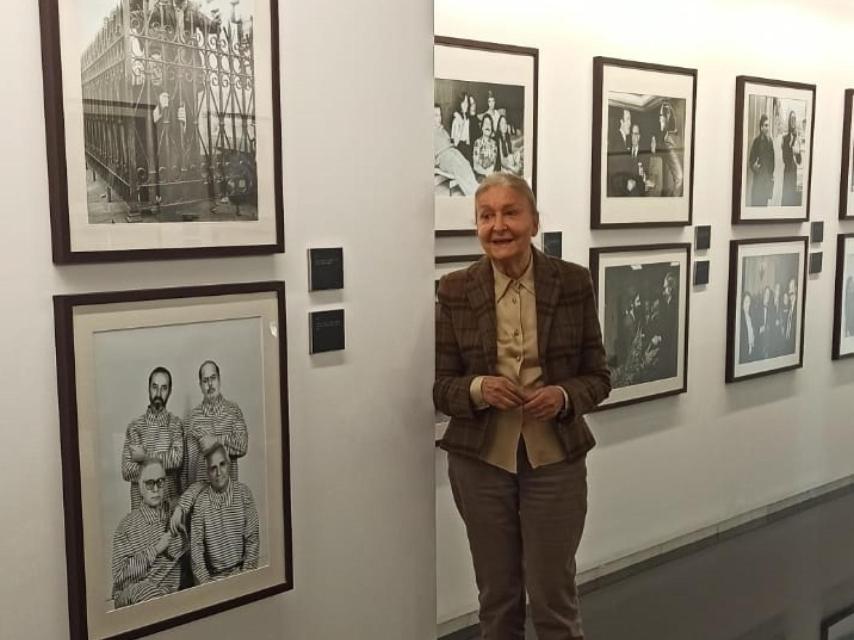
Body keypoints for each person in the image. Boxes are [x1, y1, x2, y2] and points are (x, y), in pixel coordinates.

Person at [434, 172, 611, 639]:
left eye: (510, 212)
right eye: (486, 216)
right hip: (480, 463)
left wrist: (564, 396)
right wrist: (478, 389)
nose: (498, 226)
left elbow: (599, 375)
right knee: (497, 599)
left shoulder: (572, 282)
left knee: (553, 595)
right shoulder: (455, 289)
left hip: (554, 460)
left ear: (534, 220)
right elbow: (441, 387)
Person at [175, 444, 259, 584]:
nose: (218, 472)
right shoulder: (201, 503)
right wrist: (207, 584)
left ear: (229, 464)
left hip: (242, 573)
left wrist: (246, 578)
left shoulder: (244, 494)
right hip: (213, 578)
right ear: (208, 473)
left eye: (222, 464)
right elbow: (196, 552)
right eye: (213, 468)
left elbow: (253, 541)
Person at [111, 459, 185, 607]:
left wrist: (180, 509)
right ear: (140, 486)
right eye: (149, 483)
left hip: (169, 597)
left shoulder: (175, 515)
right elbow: (119, 574)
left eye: (160, 482)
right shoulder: (127, 525)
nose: (156, 489)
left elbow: (199, 487)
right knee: (145, 590)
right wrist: (156, 549)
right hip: (135, 596)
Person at [122, 367, 184, 509]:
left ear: (170, 391)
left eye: (164, 388)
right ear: (148, 388)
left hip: (169, 509)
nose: (158, 393)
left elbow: (177, 459)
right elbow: (127, 470)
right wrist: (163, 466)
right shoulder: (135, 427)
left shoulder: (175, 424)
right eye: (154, 387)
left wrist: (144, 458)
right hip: (140, 512)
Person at [182, 360, 248, 489]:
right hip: (201, 497)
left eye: (213, 378)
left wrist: (216, 441)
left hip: (228, 496)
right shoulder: (192, 418)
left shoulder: (233, 410)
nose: (210, 384)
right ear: (200, 385)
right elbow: (186, 466)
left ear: (219, 380)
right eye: (205, 381)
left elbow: (243, 446)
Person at [434, 105, 479, 196]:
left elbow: (452, 143)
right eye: (436, 115)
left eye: (440, 115)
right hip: (443, 156)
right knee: (457, 166)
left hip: (452, 151)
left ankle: (476, 188)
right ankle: (472, 194)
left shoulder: (442, 130)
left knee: (466, 163)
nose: (439, 118)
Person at [658, 102, 684, 197]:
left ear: (667, 117)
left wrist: (674, 199)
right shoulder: (674, 137)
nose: (659, 119)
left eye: (661, 116)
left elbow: (679, 177)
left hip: (670, 195)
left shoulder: (668, 141)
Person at [749, 114, 775, 207]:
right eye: (765, 125)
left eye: (768, 125)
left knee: (764, 207)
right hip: (758, 181)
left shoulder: (770, 142)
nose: (767, 128)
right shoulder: (756, 142)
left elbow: (773, 162)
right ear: (761, 127)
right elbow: (751, 160)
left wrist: (771, 176)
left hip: (766, 182)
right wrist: (754, 166)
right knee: (755, 205)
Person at [781, 110, 803, 206]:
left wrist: (798, 151)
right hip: (787, 172)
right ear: (789, 121)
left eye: (795, 118)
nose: (793, 120)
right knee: (786, 199)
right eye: (792, 118)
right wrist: (790, 147)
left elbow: (799, 161)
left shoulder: (797, 137)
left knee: (793, 201)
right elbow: (784, 159)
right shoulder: (785, 138)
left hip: (794, 172)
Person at [450, 93, 472, 162]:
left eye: (467, 102)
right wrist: (461, 124)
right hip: (459, 148)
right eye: (464, 102)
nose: (466, 105)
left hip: (467, 148)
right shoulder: (456, 120)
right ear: (459, 104)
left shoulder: (467, 118)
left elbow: (468, 140)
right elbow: (455, 143)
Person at [740, 292, 757, 363]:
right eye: (746, 302)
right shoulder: (740, 318)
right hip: (744, 353)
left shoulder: (749, 316)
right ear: (742, 303)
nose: (748, 304)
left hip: (751, 351)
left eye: (749, 302)